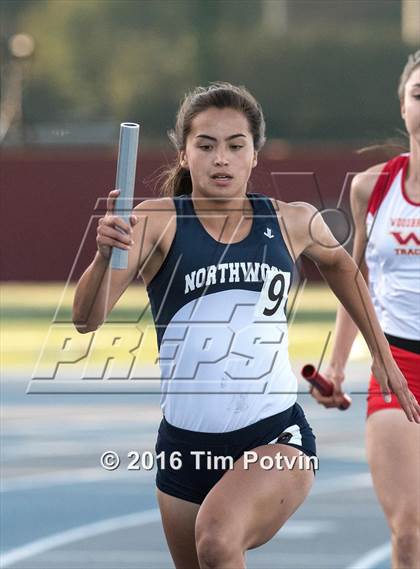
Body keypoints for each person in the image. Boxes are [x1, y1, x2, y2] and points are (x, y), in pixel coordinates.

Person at [73, 82, 419, 569]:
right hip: (183, 448)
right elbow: (86, 320)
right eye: (206, 145)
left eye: (236, 146)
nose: (221, 159)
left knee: (216, 540)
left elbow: (345, 268)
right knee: (207, 553)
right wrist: (104, 254)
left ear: (255, 155)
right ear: (183, 152)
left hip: (275, 437)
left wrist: (384, 359)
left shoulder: (291, 221)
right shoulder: (154, 222)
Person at [311, 51, 420, 569]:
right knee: (410, 532)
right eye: (419, 93)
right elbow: (354, 283)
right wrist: (335, 366)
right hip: (396, 365)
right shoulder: (369, 187)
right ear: (402, 106)